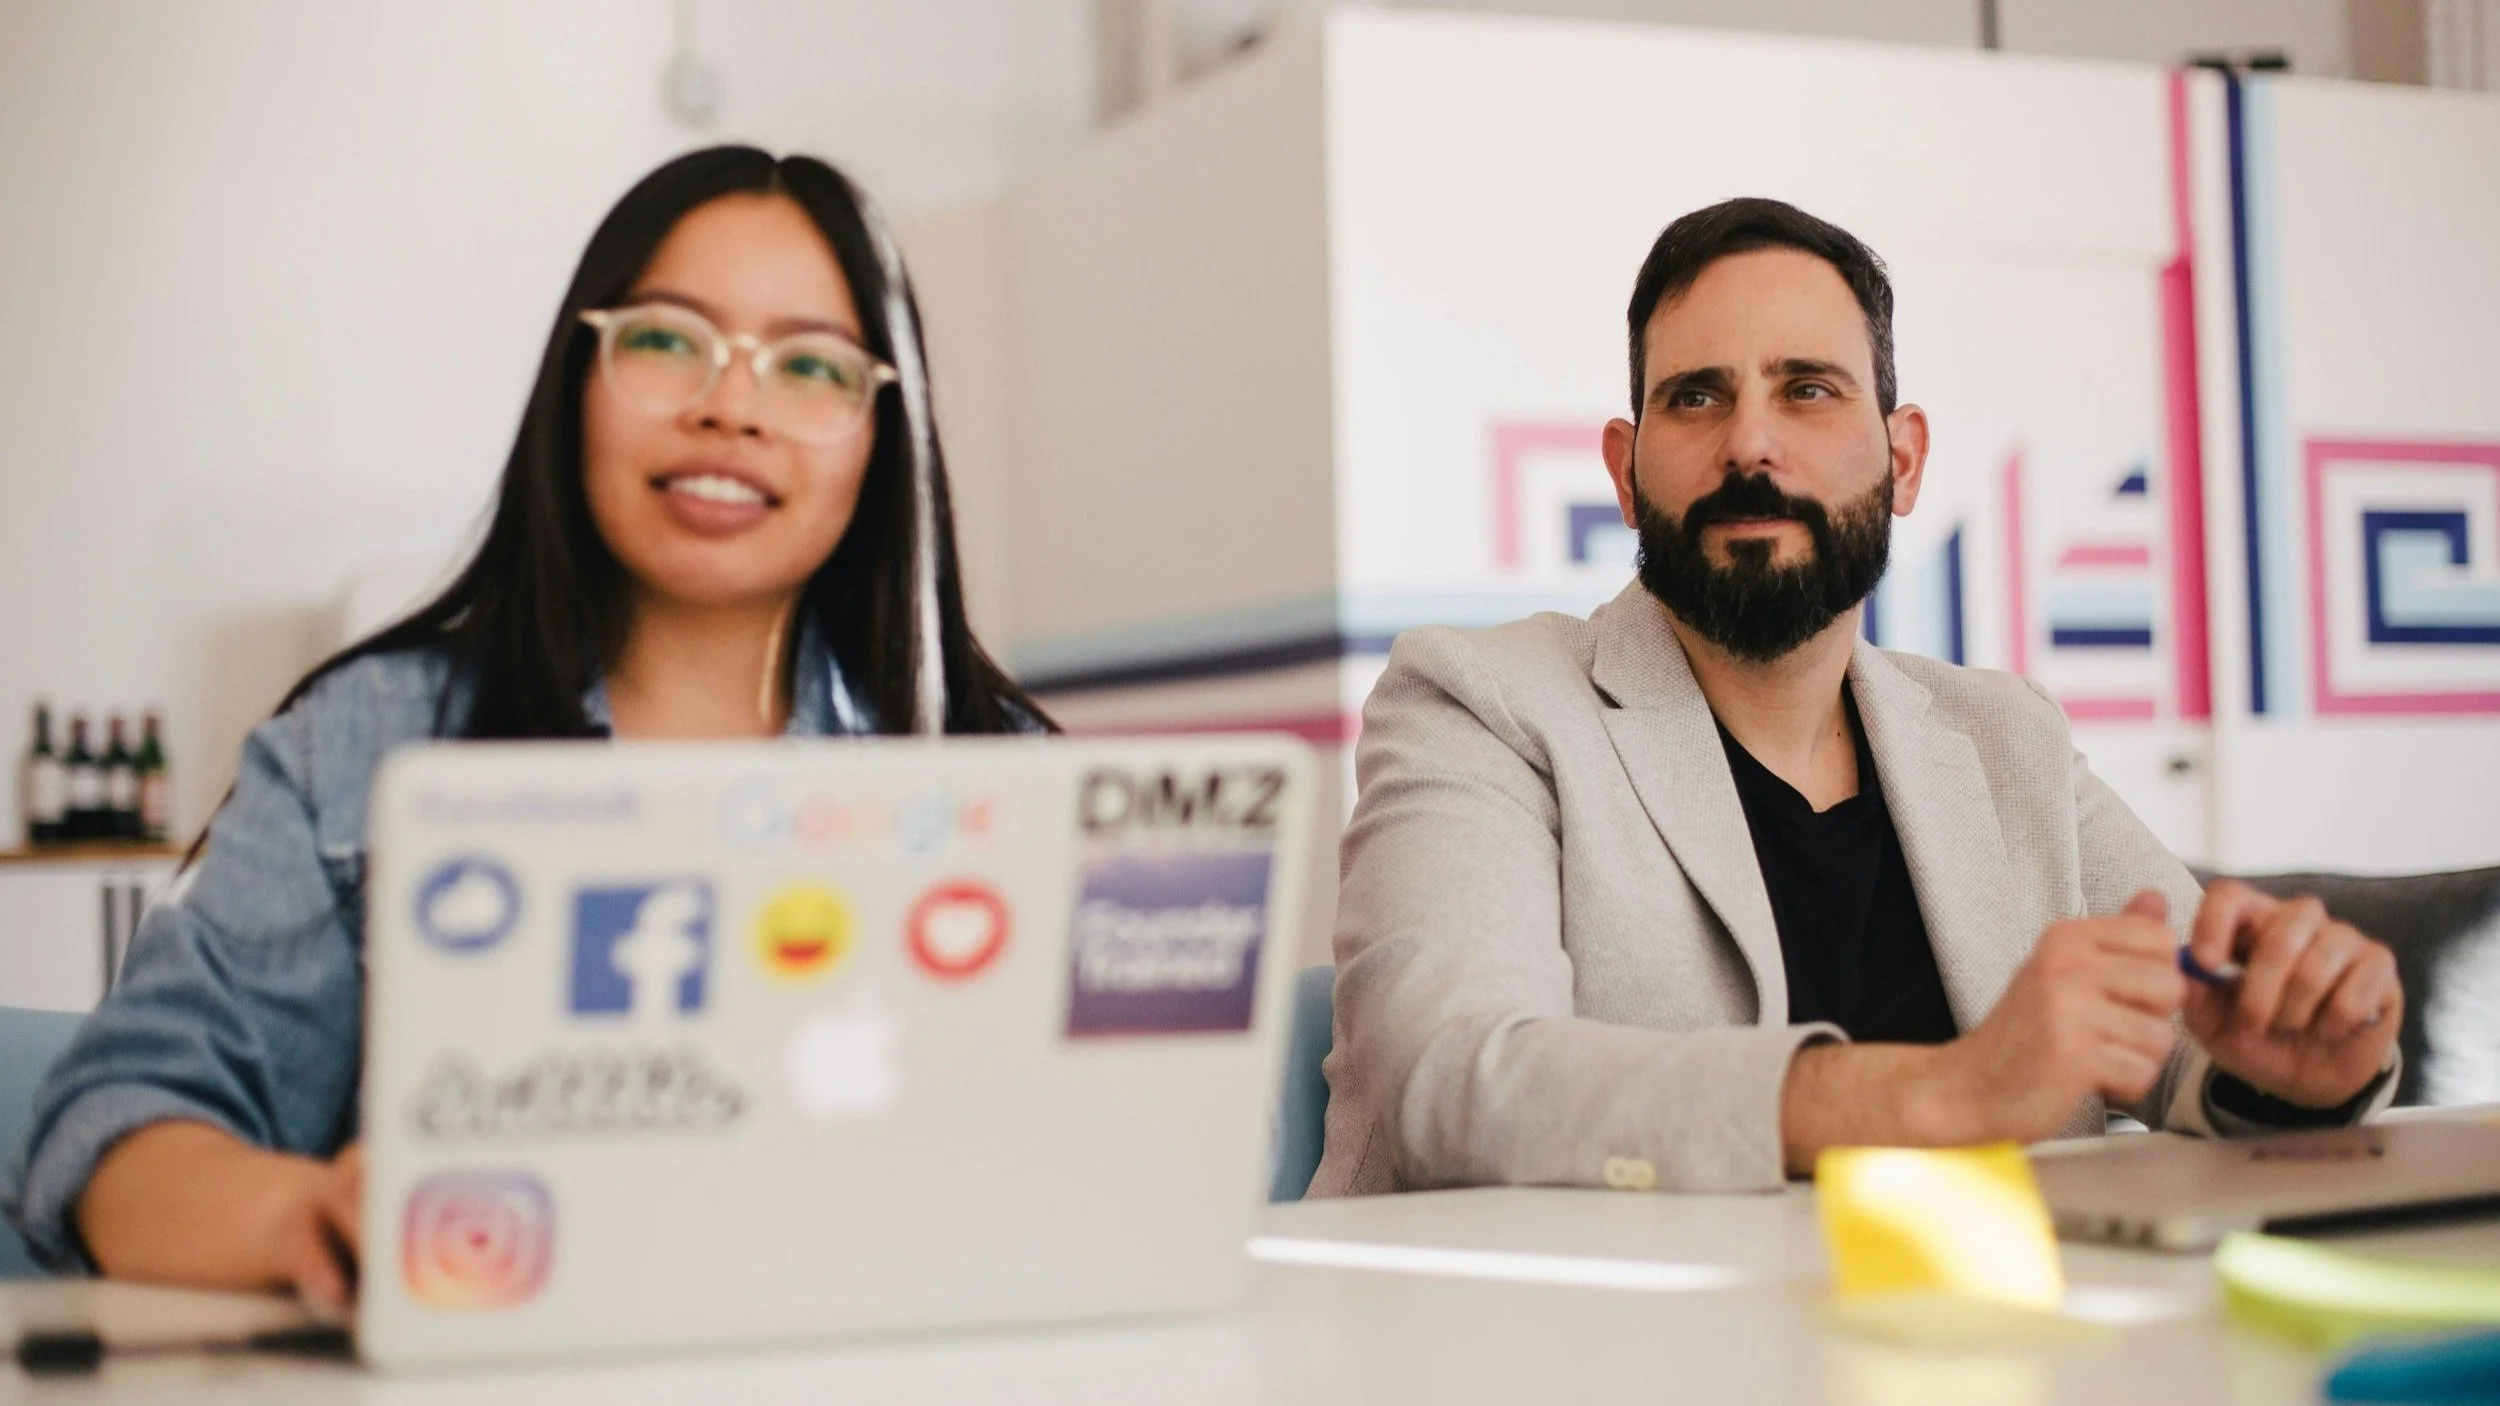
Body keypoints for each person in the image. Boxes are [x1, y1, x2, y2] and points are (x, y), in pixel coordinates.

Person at [1, 147, 1047, 1297]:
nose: (729, 404)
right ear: (575, 384)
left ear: (884, 437)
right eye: (664, 339)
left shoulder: (1006, 775)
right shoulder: (361, 745)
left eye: (811, 366)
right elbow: (116, 1117)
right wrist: (308, 1215)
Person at [1308, 198, 2402, 1198]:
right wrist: (1941, 1094)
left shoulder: (2004, 734)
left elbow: (2186, 1033)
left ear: (1904, 457)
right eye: (1696, 397)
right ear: (1626, 467)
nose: (1749, 442)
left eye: (1807, 389)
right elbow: (1454, 1079)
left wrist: (2293, 1062)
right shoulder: (1479, 702)